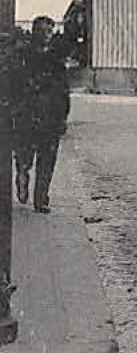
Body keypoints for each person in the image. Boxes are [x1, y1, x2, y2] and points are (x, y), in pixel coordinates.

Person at [14, 17, 71, 213]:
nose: (47, 35)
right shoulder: (24, 55)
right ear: (35, 32)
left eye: (49, 31)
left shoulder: (56, 59)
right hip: (28, 115)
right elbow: (16, 84)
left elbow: (64, 90)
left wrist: (63, 117)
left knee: (47, 160)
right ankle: (22, 174)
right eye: (43, 31)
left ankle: (41, 200)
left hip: (51, 118)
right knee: (25, 155)